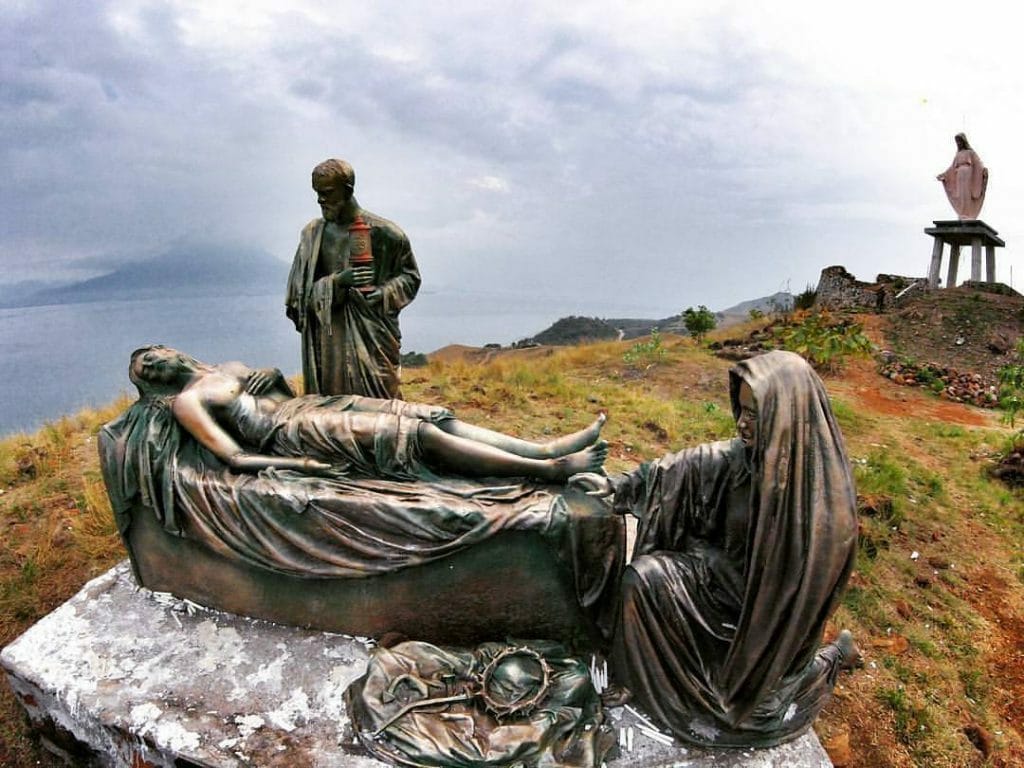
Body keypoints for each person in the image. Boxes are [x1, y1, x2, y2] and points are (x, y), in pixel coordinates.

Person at [571, 351, 858, 748]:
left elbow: (794, 605)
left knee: (753, 712)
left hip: (766, 630)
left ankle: (835, 656)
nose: (742, 423)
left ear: (786, 415)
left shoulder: (824, 508)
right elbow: (680, 471)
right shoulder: (742, 459)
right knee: (641, 579)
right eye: (740, 409)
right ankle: (637, 678)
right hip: (714, 584)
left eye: (755, 414)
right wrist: (620, 486)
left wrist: (714, 566)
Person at [129, 346, 607, 484]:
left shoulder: (224, 364)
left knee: (431, 416)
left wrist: (271, 376)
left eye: (151, 353)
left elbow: (277, 391)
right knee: (411, 437)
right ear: (154, 381)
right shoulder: (186, 401)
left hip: (307, 406)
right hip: (292, 434)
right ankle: (547, 471)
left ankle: (545, 447)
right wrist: (301, 467)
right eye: (145, 368)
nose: (153, 362)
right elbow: (233, 456)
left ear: (169, 349)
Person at [285, 159, 421, 398]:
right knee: (333, 411)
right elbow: (298, 296)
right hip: (328, 342)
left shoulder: (386, 233)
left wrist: (383, 293)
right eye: (317, 193)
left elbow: (410, 277)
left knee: (381, 407)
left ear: (347, 190)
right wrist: (337, 282)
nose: (320, 200)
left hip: (371, 338)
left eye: (327, 193)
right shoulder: (312, 235)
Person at [937, 133, 988, 220]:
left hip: (968, 174)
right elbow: (952, 168)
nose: (959, 143)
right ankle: (963, 212)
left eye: (960, 141)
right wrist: (944, 175)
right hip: (959, 175)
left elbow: (978, 163)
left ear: (963, 141)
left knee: (966, 193)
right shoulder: (958, 154)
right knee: (961, 194)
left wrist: (984, 170)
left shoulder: (970, 153)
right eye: (957, 142)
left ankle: (968, 213)